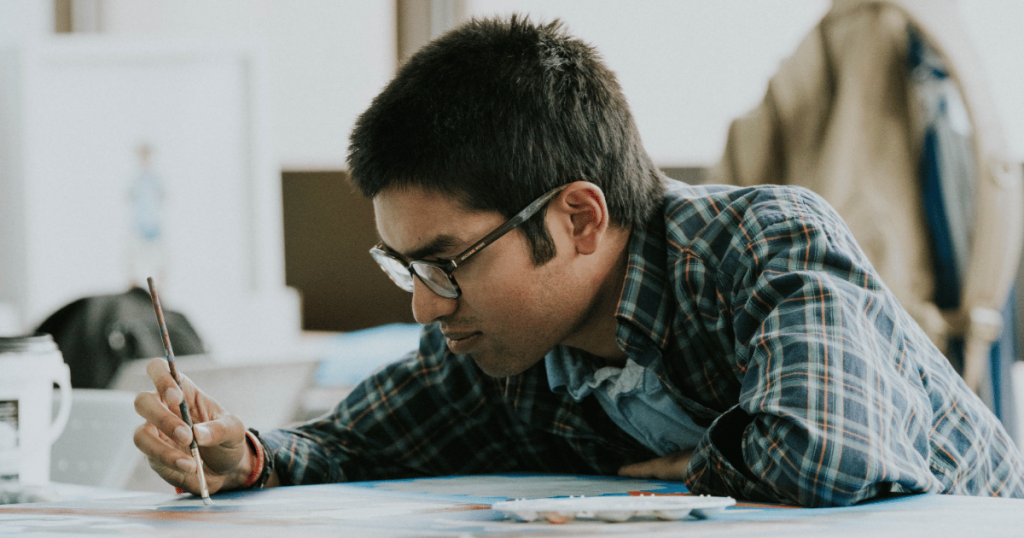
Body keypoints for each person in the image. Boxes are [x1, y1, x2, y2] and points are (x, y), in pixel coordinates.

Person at [133, 15, 1024, 507]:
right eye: (405, 270)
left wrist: (688, 473)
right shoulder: (511, 345)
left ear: (578, 218)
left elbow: (818, 452)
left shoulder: (769, 243)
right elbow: (358, 440)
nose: (425, 310)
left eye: (447, 263)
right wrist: (247, 454)